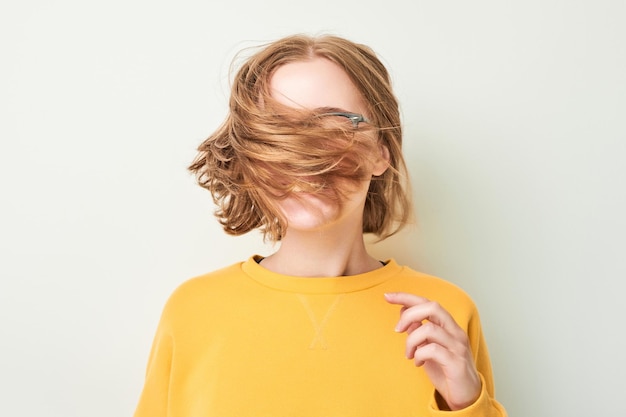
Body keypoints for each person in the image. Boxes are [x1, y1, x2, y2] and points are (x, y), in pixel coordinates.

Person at [133, 34, 507, 417]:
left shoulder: (442, 316)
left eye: (334, 125)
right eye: (277, 130)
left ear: (382, 152)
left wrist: (466, 403)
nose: (304, 159)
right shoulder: (194, 311)